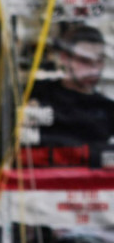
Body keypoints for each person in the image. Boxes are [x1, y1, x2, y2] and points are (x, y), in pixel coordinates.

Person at [28, 23, 114, 151]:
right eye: (84, 61)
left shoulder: (107, 109)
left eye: (99, 60)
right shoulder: (37, 93)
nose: (94, 70)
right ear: (64, 58)